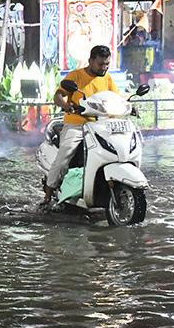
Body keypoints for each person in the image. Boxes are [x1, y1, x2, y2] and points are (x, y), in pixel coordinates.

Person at [42, 44, 120, 207]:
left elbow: (116, 98)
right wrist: (65, 105)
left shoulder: (107, 78)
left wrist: (129, 106)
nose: (104, 67)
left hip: (100, 125)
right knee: (64, 156)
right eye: (100, 64)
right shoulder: (75, 76)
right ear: (90, 61)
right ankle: (47, 198)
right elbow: (58, 96)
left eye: (107, 64)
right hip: (77, 124)